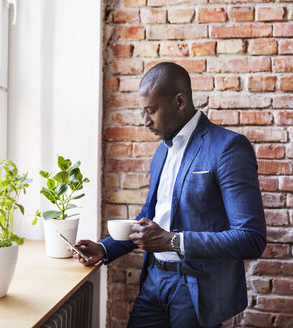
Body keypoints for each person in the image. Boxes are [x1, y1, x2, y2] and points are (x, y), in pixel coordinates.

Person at [74, 62, 267, 327]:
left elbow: (250, 238)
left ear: (179, 101)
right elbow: (150, 216)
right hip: (154, 280)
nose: (145, 122)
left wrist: (173, 242)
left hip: (197, 290)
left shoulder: (228, 148)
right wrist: (105, 248)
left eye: (151, 111)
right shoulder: (162, 151)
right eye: (143, 112)